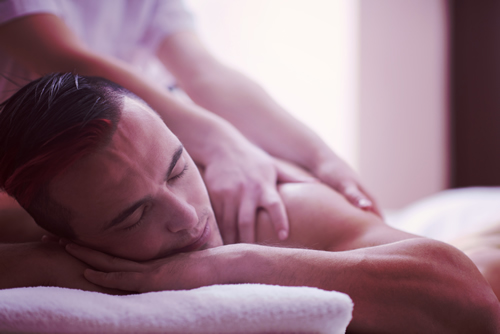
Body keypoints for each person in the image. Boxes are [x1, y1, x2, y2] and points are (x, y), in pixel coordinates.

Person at [0, 73, 498, 334]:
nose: (188, 216)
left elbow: (473, 304)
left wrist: (233, 264)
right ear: (64, 239)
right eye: (135, 215)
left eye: (178, 168)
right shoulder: (45, 245)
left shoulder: (276, 214)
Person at [0, 0, 379, 245]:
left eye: (178, 170)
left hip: (136, 158)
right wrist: (221, 143)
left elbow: (204, 72)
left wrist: (321, 157)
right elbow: (63, 59)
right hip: (38, 186)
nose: (186, 215)